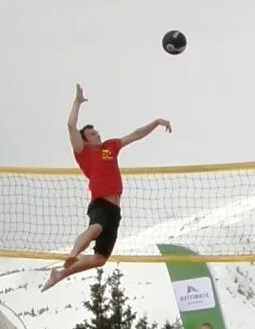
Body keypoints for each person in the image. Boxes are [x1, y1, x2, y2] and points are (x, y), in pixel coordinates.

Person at [43, 83, 172, 292]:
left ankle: (60, 274)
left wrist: (157, 122)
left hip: (115, 209)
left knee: (100, 259)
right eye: (92, 134)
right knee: (96, 228)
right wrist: (77, 102)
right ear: (85, 139)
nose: (97, 135)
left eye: (96, 132)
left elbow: (135, 134)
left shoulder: (110, 146)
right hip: (100, 203)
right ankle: (73, 254)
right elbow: (70, 126)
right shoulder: (83, 152)